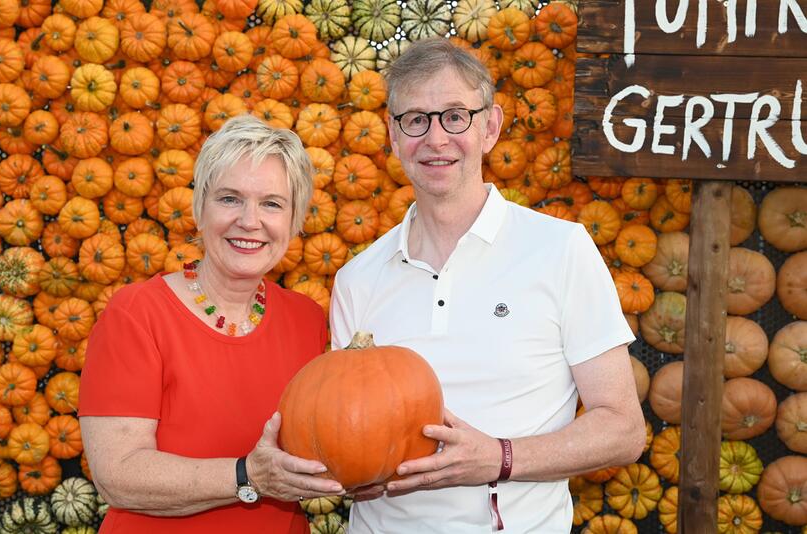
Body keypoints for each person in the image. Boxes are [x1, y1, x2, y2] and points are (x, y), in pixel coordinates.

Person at [329, 38, 646, 533]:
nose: (435, 139)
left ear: (490, 127)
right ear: (392, 136)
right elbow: (343, 429)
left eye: (456, 116)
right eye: (416, 119)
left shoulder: (560, 249)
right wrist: (353, 472)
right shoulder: (356, 278)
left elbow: (623, 429)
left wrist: (499, 458)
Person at [79, 115, 344, 533]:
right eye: (229, 198)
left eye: (272, 203)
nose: (250, 221)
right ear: (199, 208)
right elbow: (118, 474)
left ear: (294, 222)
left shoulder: (308, 321)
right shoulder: (136, 314)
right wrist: (247, 476)